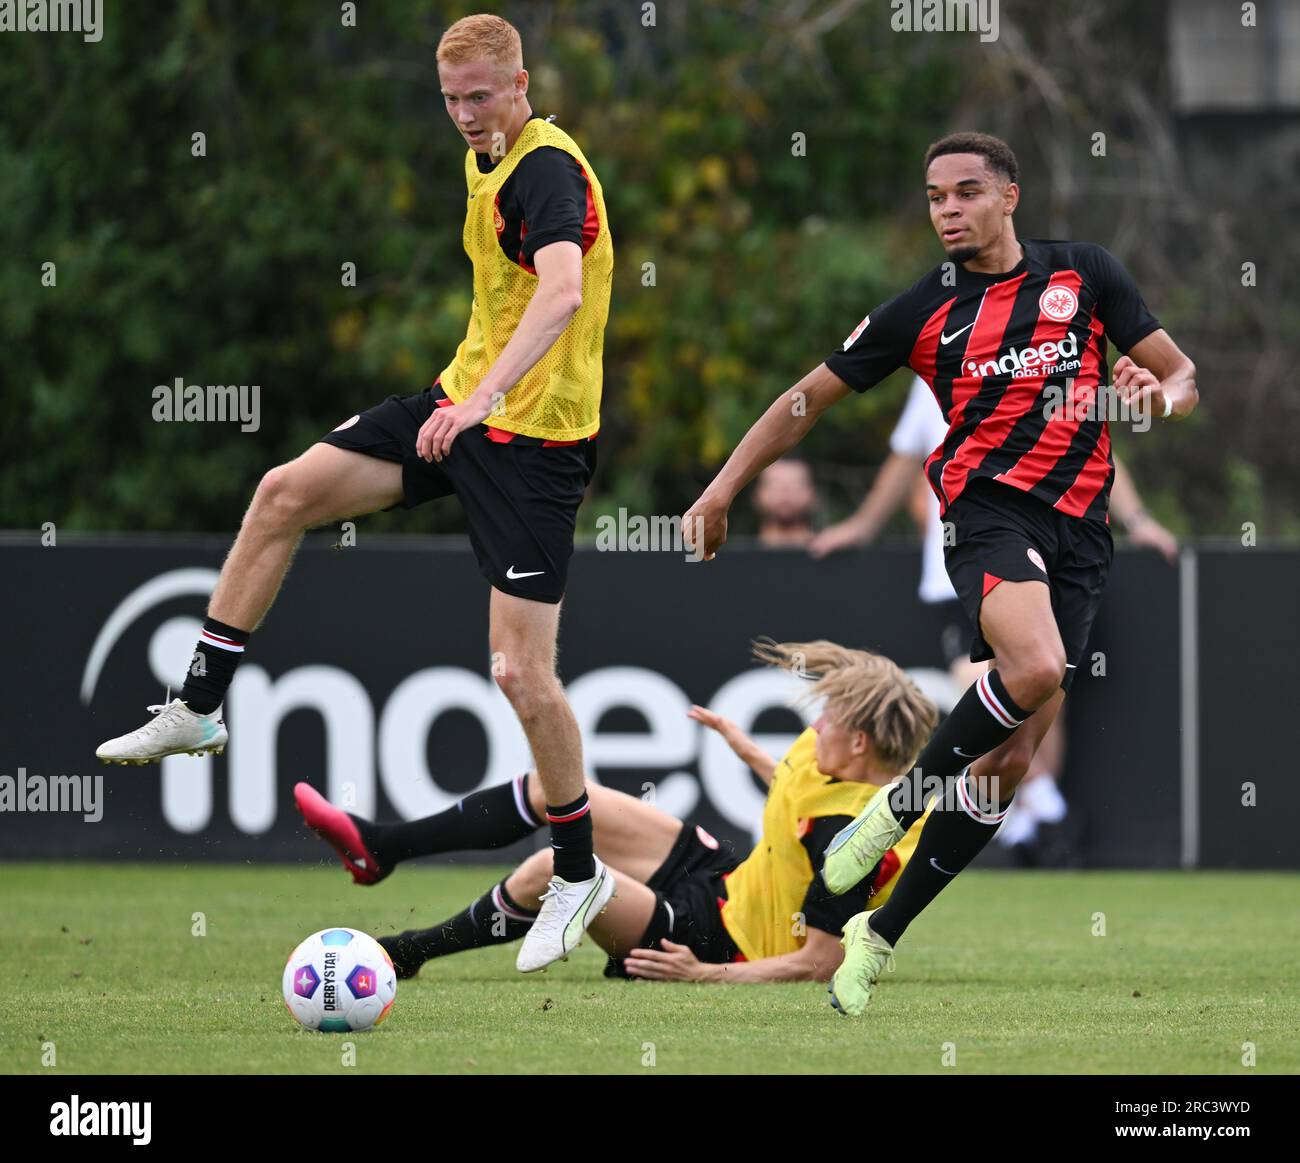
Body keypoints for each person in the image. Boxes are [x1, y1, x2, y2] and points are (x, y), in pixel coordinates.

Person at [95, 14, 617, 973]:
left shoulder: (545, 170)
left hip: (535, 443)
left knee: (518, 673)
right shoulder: (487, 156)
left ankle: (578, 871)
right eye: (451, 98)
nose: (464, 114)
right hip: (461, 412)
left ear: (522, 84)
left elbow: (563, 292)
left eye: (481, 96)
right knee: (285, 491)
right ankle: (199, 706)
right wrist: (465, 403)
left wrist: (485, 401)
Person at [683, 131, 1197, 1016]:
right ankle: (895, 805)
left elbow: (1183, 376)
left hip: (1082, 534)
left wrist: (1157, 396)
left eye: (965, 192)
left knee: (1010, 760)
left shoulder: (1084, 276)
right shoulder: (922, 310)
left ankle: (877, 935)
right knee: (1031, 670)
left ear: (1009, 196)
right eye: (935, 197)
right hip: (986, 516)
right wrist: (723, 488)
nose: (949, 210)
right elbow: (804, 398)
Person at [294, 640, 937, 986]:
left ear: (859, 744)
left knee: (556, 868)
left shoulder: (856, 846)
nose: (815, 722)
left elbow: (819, 962)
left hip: (720, 943)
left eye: (831, 717)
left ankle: (404, 953)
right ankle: (381, 846)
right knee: (564, 791)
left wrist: (706, 976)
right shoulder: (829, 759)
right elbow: (800, 791)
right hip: (724, 881)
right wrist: (747, 751)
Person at [811, 375, 1179, 862]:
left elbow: (1097, 448)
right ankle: (1041, 808)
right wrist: (861, 526)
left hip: (1043, 557)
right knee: (983, 682)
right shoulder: (938, 369)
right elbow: (905, 459)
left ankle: (1027, 818)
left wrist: (1139, 521)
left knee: (1043, 685)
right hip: (963, 562)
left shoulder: (1049, 363)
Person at [753, 456, 819, 547]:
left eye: (796, 485)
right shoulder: (736, 554)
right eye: (775, 485)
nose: (785, 491)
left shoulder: (833, 555)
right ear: (758, 494)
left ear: (812, 493)